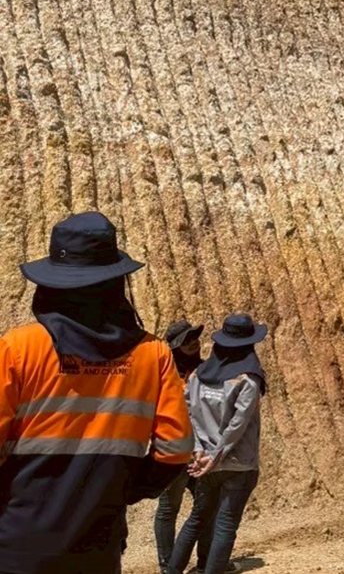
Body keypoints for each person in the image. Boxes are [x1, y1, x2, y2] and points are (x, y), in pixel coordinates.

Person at [0, 211, 194, 574]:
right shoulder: (151, 354)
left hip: (18, 545)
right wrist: (123, 489)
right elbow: (176, 448)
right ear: (114, 283)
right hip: (99, 546)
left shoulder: (17, 349)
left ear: (52, 285)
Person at [168, 314, 267, 574]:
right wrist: (216, 456)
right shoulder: (248, 379)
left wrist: (200, 450)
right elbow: (238, 424)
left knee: (196, 520)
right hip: (238, 464)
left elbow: (189, 414)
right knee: (225, 525)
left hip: (205, 464)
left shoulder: (200, 374)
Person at [155, 320, 225, 574]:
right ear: (175, 346)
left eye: (194, 336)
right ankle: (168, 567)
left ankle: (207, 563)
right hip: (173, 449)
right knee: (168, 509)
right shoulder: (164, 373)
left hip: (201, 450)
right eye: (187, 339)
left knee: (207, 507)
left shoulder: (206, 370)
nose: (194, 341)